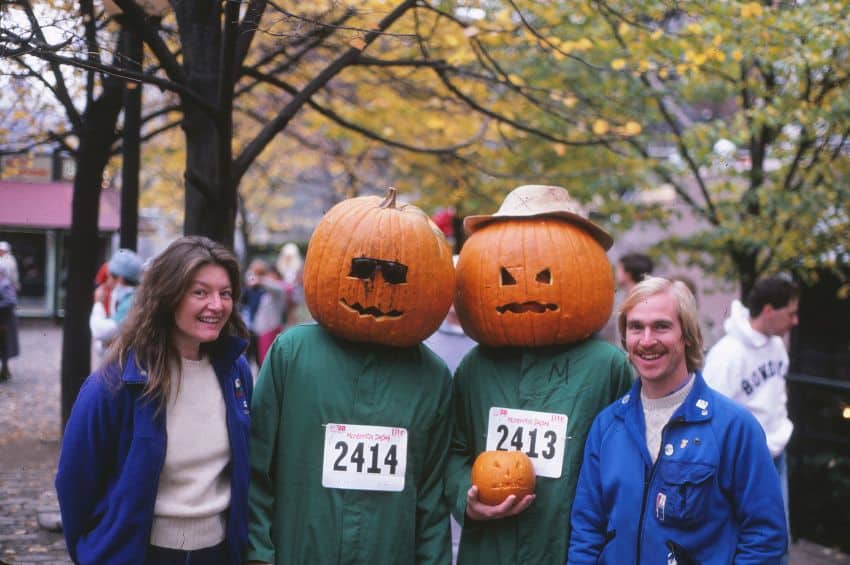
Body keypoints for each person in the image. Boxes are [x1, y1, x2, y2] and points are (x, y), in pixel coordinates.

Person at [246, 189, 454, 564]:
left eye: (394, 275)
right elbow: (256, 467)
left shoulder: (432, 376)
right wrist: (259, 554)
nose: (374, 288)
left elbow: (431, 496)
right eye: (360, 270)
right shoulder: (291, 354)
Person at [445, 185, 633, 565]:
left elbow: (627, 466)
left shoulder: (606, 367)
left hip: (570, 548)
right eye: (507, 278)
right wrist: (467, 495)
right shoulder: (476, 366)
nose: (527, 290)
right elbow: (453, 451)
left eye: (546, 275)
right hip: (489, 550)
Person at [56, 236, 253, 565]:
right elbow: (75, 482)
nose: (216, 305)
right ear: (168, 297)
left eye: (225, 293)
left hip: (219, 553)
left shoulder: (236, 372)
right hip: (140, 555)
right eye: (200, 292)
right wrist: (96, 553)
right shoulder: (114, 384)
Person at [568, 276, 787, 564]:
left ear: (687, 335)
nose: (647, 341)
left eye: (661, 326)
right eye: (636, 327)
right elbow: (586, 533)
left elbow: (766, 536)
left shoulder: (734, 428)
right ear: (625, 339)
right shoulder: (607, 426)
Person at [703, 274, 800, 562]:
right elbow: (710, 418)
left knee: (777, 537)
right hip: (742, 464)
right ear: (769, 310)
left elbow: (777, 395)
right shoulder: (727, 355)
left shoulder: (777, 346)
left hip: (776, 453)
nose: (795, 321)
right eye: (791, 313)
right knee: (747, 541)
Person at [89, 248, 143, 357]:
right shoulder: (133, 297)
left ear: (120, 279)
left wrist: (98, 303)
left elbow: (100, 331)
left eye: (110, 276)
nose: (108, 281)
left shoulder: (131, 301)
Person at [600, 252, 654, 344]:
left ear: (628, 274)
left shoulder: (645, 299)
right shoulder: (621, 297)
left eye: (618, 269)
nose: (615, 273)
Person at [0, 263, 19, 382]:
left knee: (4, 347)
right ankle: (4, 371)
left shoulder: (4, 284)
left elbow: (11, 301)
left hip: (4, 323)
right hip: (3, 322)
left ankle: (5, 371)